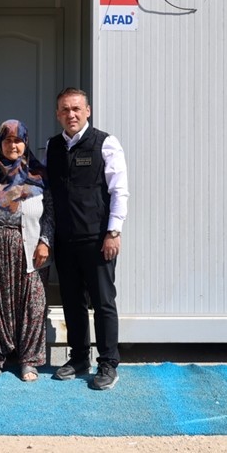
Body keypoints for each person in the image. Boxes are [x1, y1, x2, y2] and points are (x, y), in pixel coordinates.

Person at [45, 87, 129, 391]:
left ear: (88, 111)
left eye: (77, 109)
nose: (71, 115)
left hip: (98, 240)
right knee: (72, 301)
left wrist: (113, 232)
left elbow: (119, 191)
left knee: (103, 303)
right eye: (65, 110)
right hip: (65, 241)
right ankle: (79, 357)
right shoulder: (52, 146)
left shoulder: (105, 144)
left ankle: (108, 363)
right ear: (57, 114)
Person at [0, 119, 54, 383]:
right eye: (7, 140)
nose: (13, 145)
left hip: (30, 247)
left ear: (25, 142)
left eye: (18, 140)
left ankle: (29, 360)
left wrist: (45, 241)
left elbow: (51, 212)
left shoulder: (38, 175)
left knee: (32, 305)